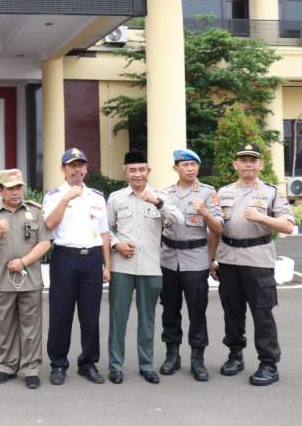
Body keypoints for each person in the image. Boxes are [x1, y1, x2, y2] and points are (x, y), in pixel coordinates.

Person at [214, 143, 294, 386]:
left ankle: (268, 362)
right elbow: (215, 228)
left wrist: (262, 217)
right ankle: (235, 355)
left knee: (262, 312)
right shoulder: (224, 191)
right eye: (243, 159)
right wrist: (211, 258)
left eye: (253, 160)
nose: (248, 163)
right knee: (232, 311)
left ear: (260, 164)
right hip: (228, 258)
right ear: (235, 164)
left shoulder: (271, 192)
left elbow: (288, 226)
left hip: (258, 258)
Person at [107, 151, 182, 384]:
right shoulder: (116, 198)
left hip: (151, 266)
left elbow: (178, 221)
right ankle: (115, 365)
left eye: (141, 169)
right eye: (132, 170)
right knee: (118, 319)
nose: (137, 174)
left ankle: (146, 365)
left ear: (148, 171)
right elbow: (105, 229)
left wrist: (158, 203)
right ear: (125, 172)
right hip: (122, 266)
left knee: (148, 319)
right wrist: (116, 244)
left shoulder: (160, 196)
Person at [0, 168, 51, 390]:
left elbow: (45, 242)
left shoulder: (35, 211)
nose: (16, 192)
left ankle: (31, 369)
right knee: (5, 325)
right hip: (2, 280)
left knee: (31, 326)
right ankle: (7, 366)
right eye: (10, 188)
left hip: (29, 279)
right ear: (1, 190)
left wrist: (23, 262)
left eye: (19, 187)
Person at [42, 148, 110, 386]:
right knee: (60, 314)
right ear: (63, 169)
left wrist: (107, 266)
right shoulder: (53, 196)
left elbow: (104, 233)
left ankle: (88, 363)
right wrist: (66, 199)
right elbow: (49, 224)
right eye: (72, 165)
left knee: (90, 316)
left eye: (81, 165)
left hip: (91, 259)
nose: (77, 169)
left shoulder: (97, 197)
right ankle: (58, 364)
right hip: (65, 258)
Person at [159, 149, 222, 381]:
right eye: (185, 165)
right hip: (168, 259)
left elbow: (218, 229)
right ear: (176, 168)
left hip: (196, 259)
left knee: (197, 311)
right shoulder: (165, 194)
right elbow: (158, 228)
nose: (191, 169)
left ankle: (198, 358)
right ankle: (172, 355)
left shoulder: (207, 193)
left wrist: (204, 211)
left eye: (194, 164)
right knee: (170, 310)